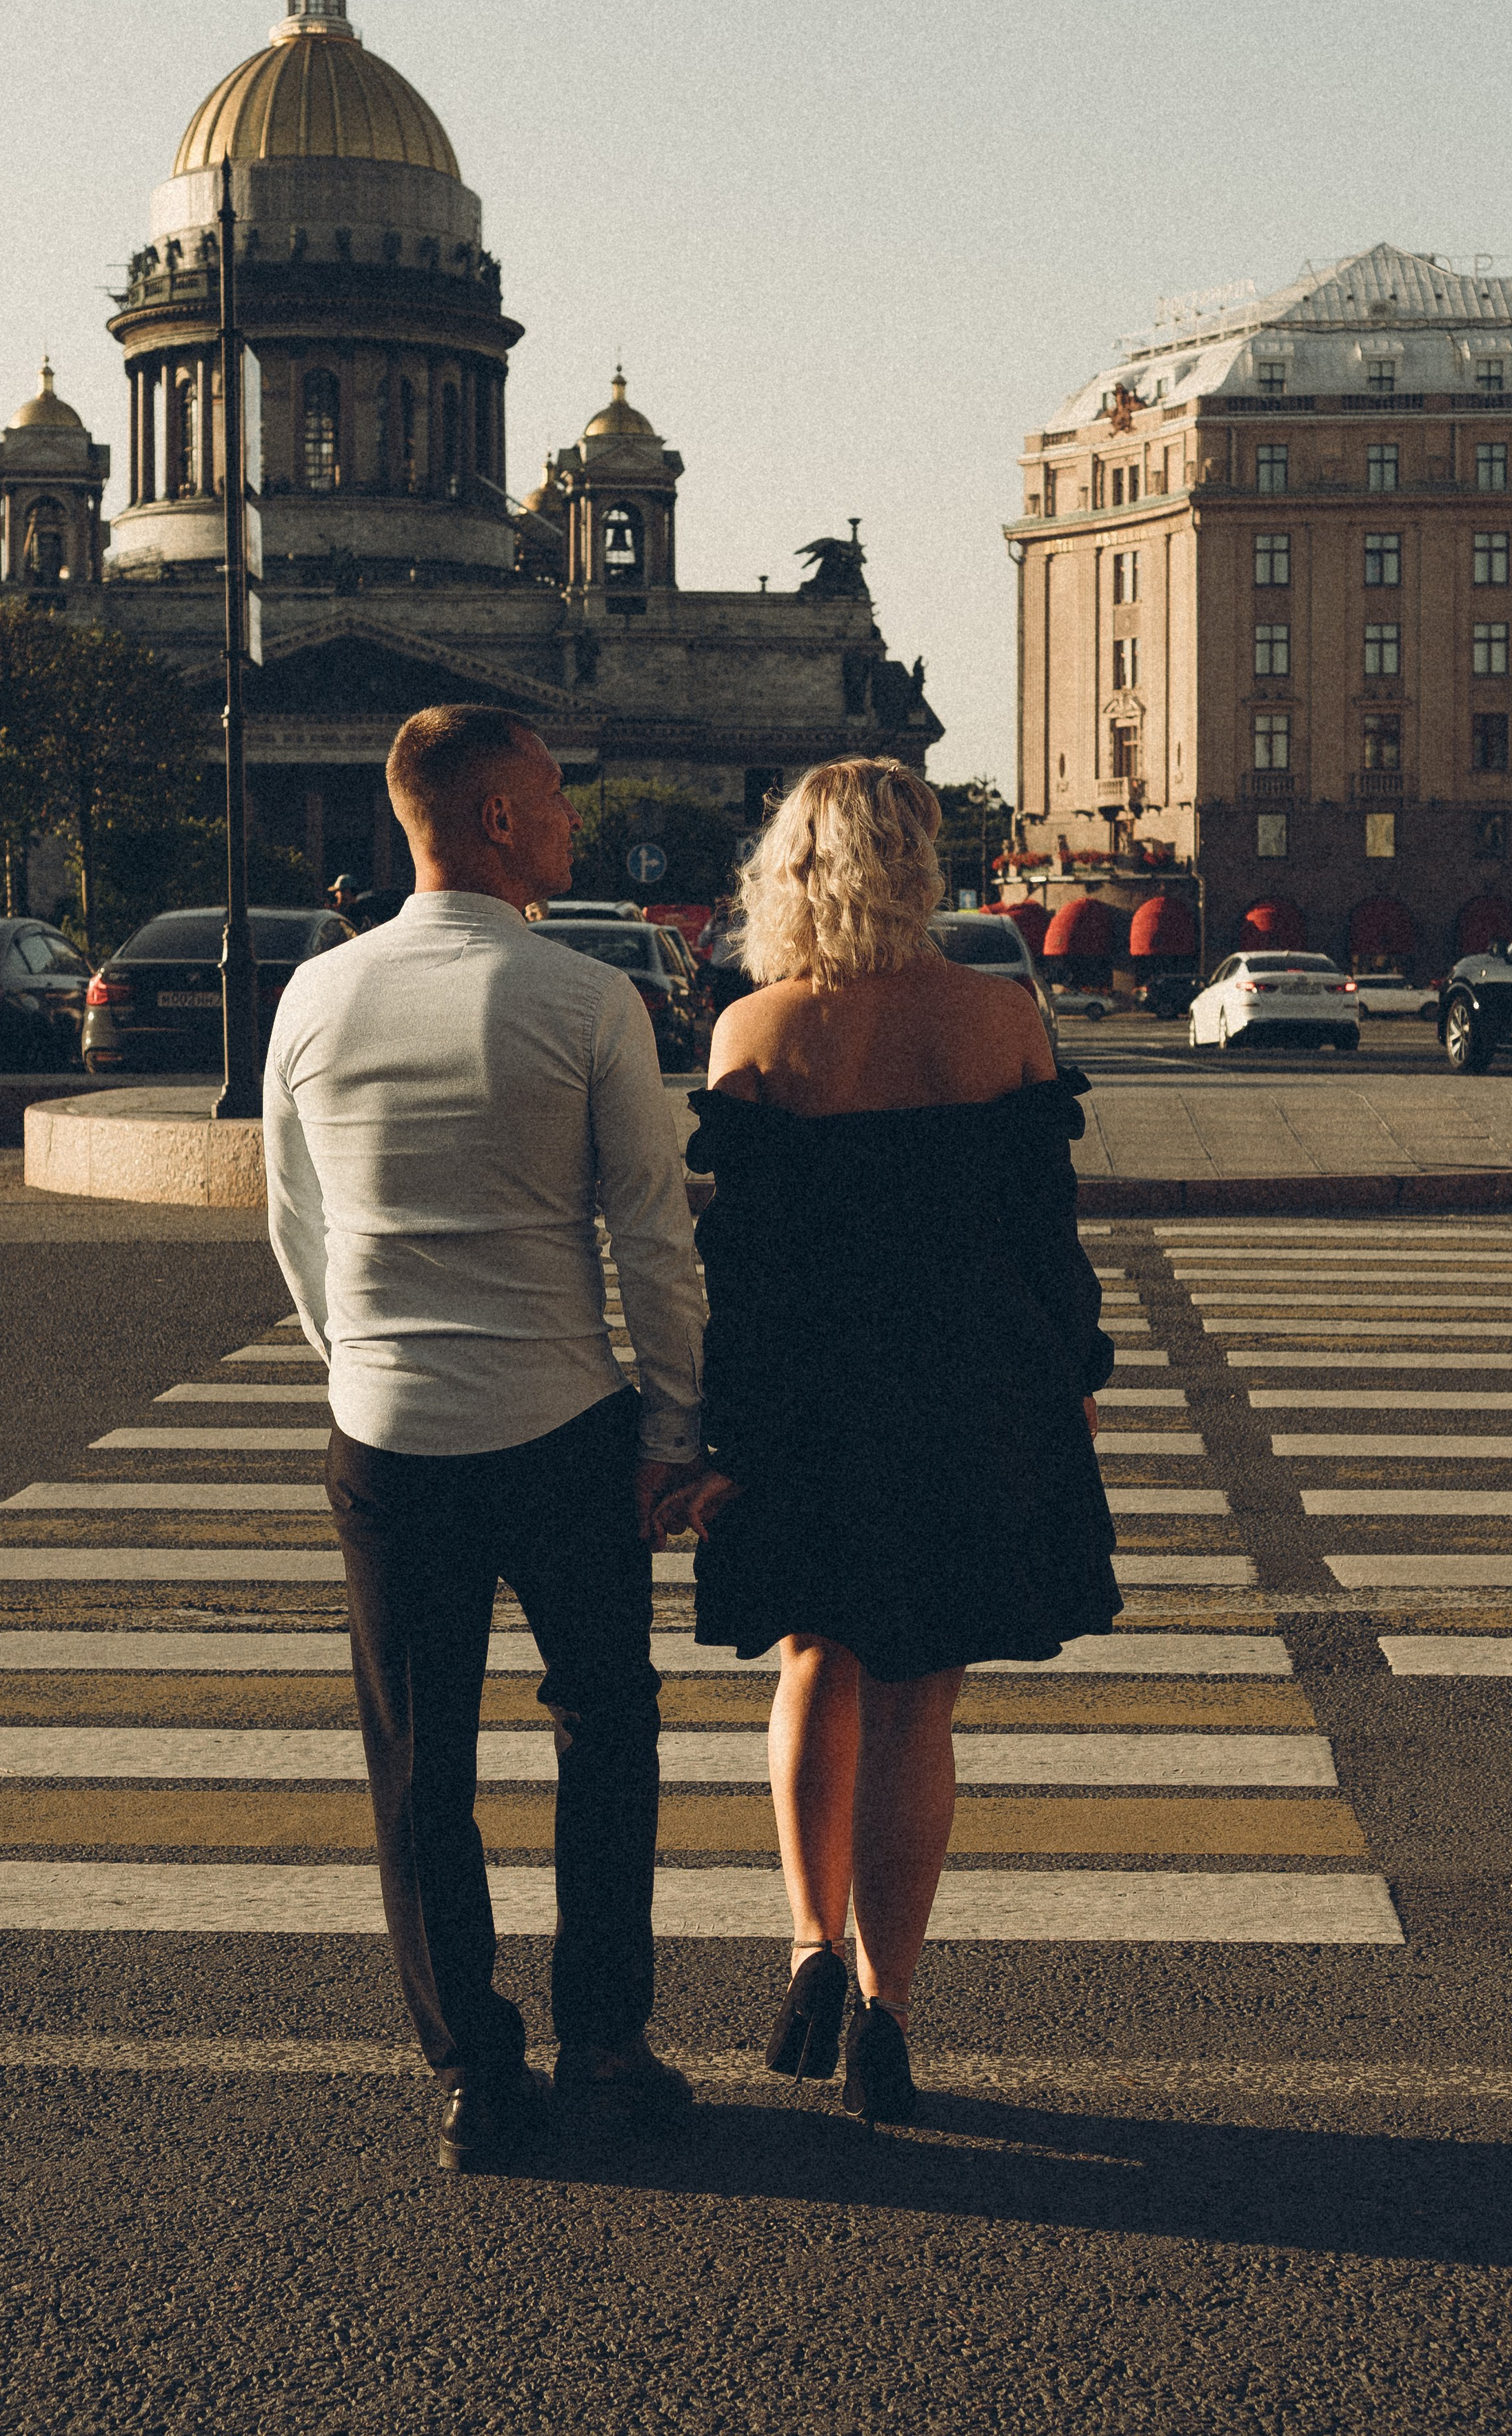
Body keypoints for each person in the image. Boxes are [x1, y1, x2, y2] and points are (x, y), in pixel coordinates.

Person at [265, 703, 708, 2173]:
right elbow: (651, 1243)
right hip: (563, 1431)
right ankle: (604, 2048)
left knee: (417, 1763)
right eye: (554, 804)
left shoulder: (312, 1002)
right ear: (503, 821)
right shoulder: (586, 1000)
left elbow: (298, 1233)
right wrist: (671, 1427)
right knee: (604, 1732)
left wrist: (362, 1375)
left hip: (386, 1441)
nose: (572, 824)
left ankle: (471, 2074)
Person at [654, 758, 1117, 2126]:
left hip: (810, 1397)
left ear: (787, 870)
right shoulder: (999, 1022)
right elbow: (1049, 1244)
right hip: (973, 1389)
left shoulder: (754, 1033)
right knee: (921, 1695)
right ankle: (885, 2006)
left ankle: (805, 1941)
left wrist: (710, 1435)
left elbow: (731, 1268)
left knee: (815, 1658)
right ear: (921, 868)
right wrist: (1072, 1379)